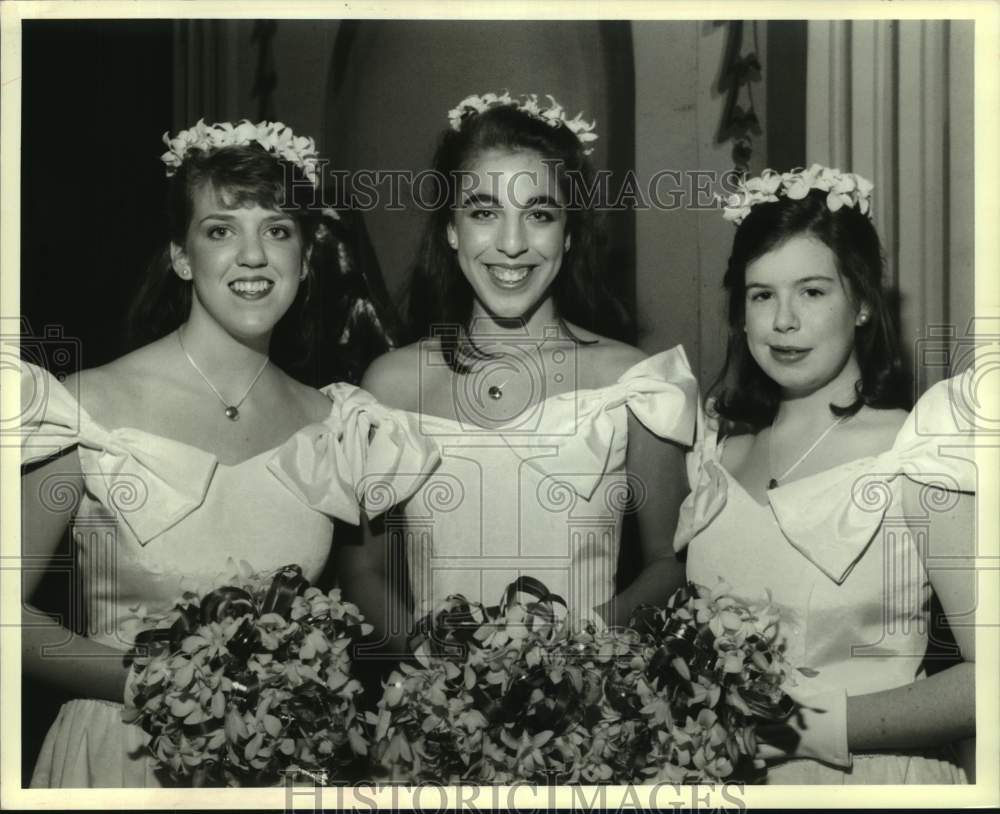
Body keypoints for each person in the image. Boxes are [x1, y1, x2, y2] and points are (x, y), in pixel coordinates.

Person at [19, 119, 437, 787]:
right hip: (119, 761)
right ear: (182, 256)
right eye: (220, 230)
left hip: (281, 769)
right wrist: (153, 680)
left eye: (277, 230)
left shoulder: (343, 425)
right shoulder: (82, 407)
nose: (252, 257)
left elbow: (370, 617)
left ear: (304, 257)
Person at [341, 92, 698, 650]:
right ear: (451, 229)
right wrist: (425, 657)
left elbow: (670, 566)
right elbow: (366, 571)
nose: (511, 245)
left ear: (569, 233)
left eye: (539, 214)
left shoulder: (636, 383)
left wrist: (568, 654)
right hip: (433, 714)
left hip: (590, 705)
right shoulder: (388, 387)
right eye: (484, 212)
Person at [674, 165, 976, 783]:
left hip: (871, 780)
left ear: (862, 303)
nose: (784, 321)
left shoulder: (916, 451)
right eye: (762, 295)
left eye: (813, 292)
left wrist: (798, 728)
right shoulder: (715, 455)